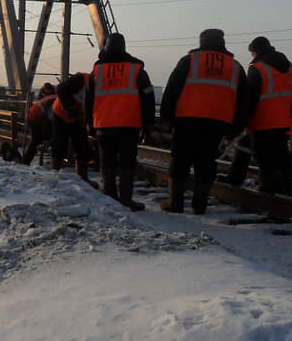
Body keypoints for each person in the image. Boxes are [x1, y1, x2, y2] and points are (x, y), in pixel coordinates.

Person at [159, 29, 248, 214]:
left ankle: (175, 202)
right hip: (217, 124)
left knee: (180, 160)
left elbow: (172, 90)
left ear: (202, 42)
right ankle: (200, 204)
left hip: (187, 120)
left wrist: (166, 119)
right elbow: (243, 102)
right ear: (222, 42)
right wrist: (235, 128)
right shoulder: (236, 66)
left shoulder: (189, 61)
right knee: (207, 162)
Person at [85, 33, 156, 211]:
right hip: (129, 124)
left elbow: (88, 100)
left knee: (107, 161)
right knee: (127, 162)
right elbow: (148, 98)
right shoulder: (137, 70)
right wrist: (148, 125)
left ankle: (109, 198)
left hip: (103, 124)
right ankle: (126, 199)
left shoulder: (97, 71)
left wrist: (90, 124)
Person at [223, 36, 292, 196]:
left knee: (265, 162)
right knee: (279, 157)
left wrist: (240, 123)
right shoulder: (290, 67)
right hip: (282, 121)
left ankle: (268, 197)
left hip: (262, 122)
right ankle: (291, 193)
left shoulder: (258, 68)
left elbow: (249, 100)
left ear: (255, 51)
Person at [48, 74, 95, 185]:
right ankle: (54, 176)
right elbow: (61, 88)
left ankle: (83, 179)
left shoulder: (103, 88)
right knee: (59, 144)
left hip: (79, 119)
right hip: (61, 114)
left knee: (82, 147)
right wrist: (70, 108)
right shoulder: (82, 79)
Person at [23, 83, 56, 165]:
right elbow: (47, 119)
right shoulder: (54, 100)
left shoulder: (53, 98)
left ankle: (26, 161)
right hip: (34, 118)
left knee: (38, 140)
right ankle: (25, 161)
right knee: (36, 141)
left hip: (34, 116)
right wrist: (46, 137)